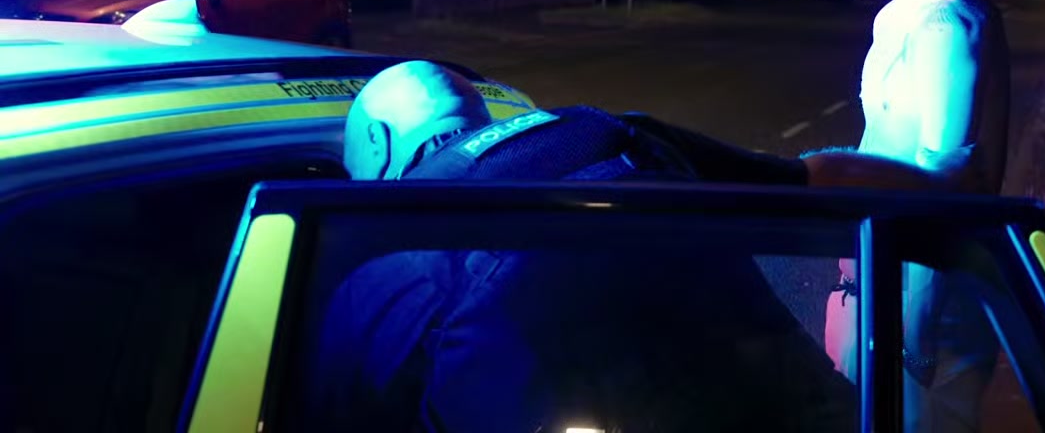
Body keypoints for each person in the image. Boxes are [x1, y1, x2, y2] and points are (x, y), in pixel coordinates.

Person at [313, 60, 956, 432]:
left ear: (377, 144)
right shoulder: (607, 132)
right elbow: (821, 178)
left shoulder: (379, 255)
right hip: (800, 412)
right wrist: (960, 197)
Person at [817, 0, 1012, 431]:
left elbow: (941, 192)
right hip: (874, 291)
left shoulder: (947, 27)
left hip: (913, 316)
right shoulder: (897, 15)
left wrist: (912, 345)